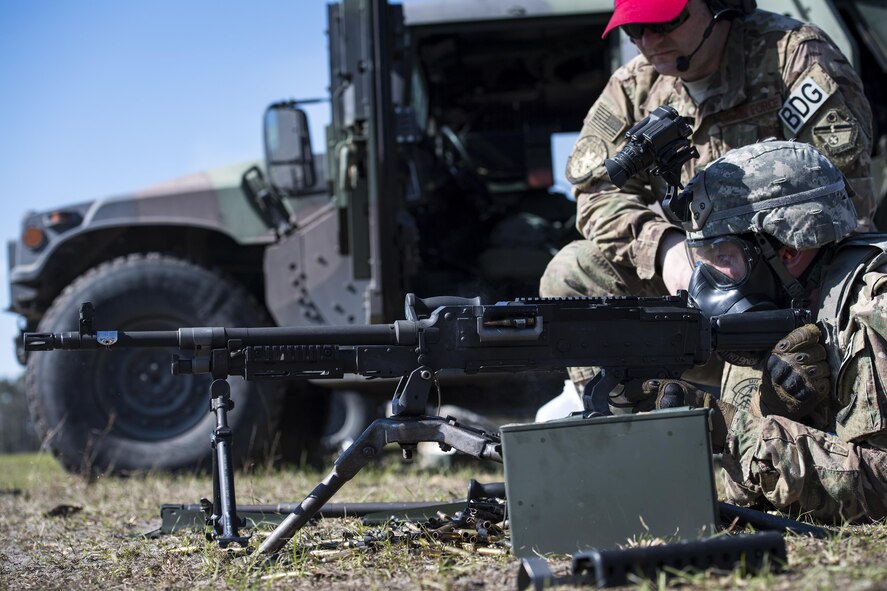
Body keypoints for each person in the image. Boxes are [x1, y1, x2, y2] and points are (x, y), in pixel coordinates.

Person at [541, 0, 876, 393]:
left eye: (663, 22)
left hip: (789, 297)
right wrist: (665, 250)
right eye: (634, 30)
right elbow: (596, 193)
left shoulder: (793, 58)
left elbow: (844, 203)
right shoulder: (636, 86)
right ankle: (637, 428)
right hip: (694, 290)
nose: (648, 41)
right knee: (572, 272)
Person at [638, 140, 887, 522]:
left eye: (723, 258)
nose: (705, 283)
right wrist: (773, 409)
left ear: (788, 251)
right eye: (702, 261)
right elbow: (750, 494)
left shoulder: (872, 309)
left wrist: (732, 430)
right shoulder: (768, 323)